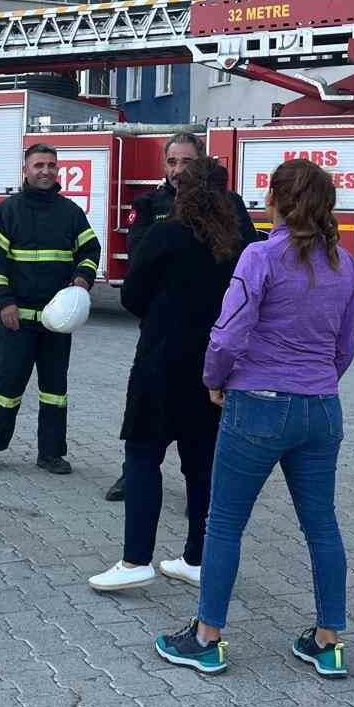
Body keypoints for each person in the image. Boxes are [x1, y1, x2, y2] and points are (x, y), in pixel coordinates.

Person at [154, 159, 354, 678]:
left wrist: (214, 379)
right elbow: (346, 346)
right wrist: (317, 380)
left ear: (276, 201)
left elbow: (228, 333)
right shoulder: (344, 264)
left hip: (259, 402)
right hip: (321, 407)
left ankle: (207, 637)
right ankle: (329, 641)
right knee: (322, 526)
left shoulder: (260, 256)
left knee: (224, 521)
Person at [88, 157, 243, 593]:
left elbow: (132, 296)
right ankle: (197, 557)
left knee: (142, 457)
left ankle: (137, 559)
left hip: (160, 362)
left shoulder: (165, 234)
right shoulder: (237, 242)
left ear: (184, 191)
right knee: (201, 464)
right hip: (215, 369)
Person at [105, 132, 259, 501]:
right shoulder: (149, 207)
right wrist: (161, 315)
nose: (177, 171)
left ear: (202, 164)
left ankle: (206, 495)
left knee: (205, 429)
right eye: (172, 162)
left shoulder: (232, 206)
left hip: (216, 340)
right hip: (162, 338)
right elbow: (137, 276)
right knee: (150, 427)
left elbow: (248, 265)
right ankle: (136, 476)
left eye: (186, 162)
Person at [0, 143, 101, 475]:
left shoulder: (70, 212)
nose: (46, 171)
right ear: (25, 170)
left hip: (57, 323)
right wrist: (3, 302)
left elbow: (90, 248)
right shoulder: (7, 211)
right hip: (17, 320)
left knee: (55, 390)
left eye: (51, 165)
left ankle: (51, 453)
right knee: (6, 385)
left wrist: (82, 279)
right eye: (39, 165)